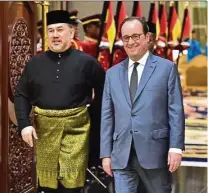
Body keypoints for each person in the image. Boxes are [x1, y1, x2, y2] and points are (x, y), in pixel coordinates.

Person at [14, 10, 105, 193]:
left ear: (71, 33)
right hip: (44, 132)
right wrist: (24, 124)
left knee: (72, 186)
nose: (55, 35)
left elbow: (105, 96)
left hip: (77, 132)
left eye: (60, 30)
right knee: (47, 186)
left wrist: (93, 125)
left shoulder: (88, 63)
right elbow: (21, 94)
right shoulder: (34, 64)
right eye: (51, 31)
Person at [100, 17, 185, 193]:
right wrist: (106, 154)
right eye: (126, 38)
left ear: (147, 37)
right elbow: (107, 116)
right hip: (122, 153)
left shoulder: (166, 68)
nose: (130, 42)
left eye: (136, 36)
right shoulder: (112, 74)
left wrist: (176, 147)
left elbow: (175, 110)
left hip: (155, 151)